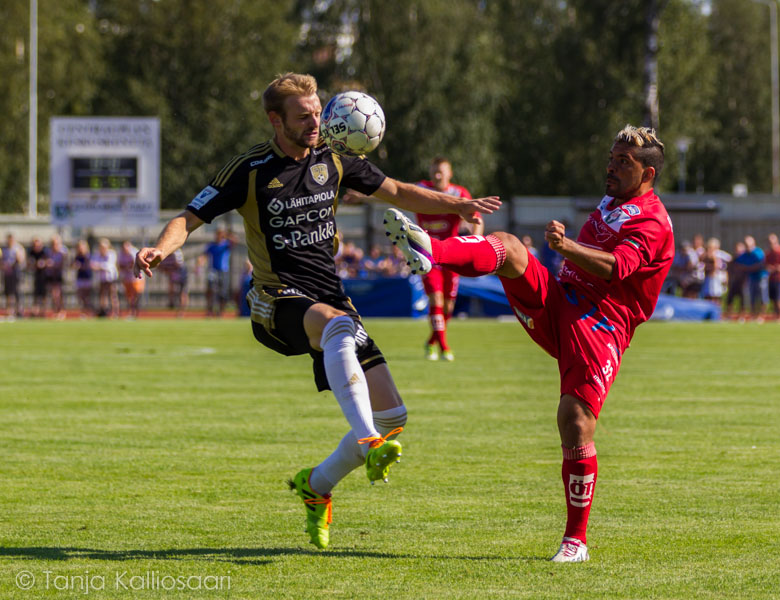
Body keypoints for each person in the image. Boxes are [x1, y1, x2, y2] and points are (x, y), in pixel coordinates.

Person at [133, 72, 500, 550]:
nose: (315, 122)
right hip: (276, 299)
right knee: (340, 330)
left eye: (318, 111)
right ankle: (367, 440)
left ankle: (317, 485)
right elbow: (189, 216)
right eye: (304, 115)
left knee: (395, 415)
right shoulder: (249, 170)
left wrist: (459, 204)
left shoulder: (335, 159)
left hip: (330, 295)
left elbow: (399, 191)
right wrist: (161, 250)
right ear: (275, 120)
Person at [385, 125, 673, 563]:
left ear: (648, 173)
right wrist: (561, 249)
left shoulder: (652, 219)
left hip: (602, 324)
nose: (611, 166)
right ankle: (431, 251)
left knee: (574, 421)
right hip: (561, 301)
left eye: (623, 162)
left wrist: (565, 245)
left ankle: (576, 541)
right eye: (611, 157)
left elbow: (617, 268)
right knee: (509, 246)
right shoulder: (613, 201)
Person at [415, 157, 483, 361]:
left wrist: (477, 241)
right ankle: (444, 348)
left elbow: (476, 218)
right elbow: (394, 192)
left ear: (449, 174)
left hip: (452, 256)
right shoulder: (421, 190)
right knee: (435, 298)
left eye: (441, 172)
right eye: (434, 171)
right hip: (427, 254)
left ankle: (430, 342)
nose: (437, 176)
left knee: (448, 307)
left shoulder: (459, 194)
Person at [205, 228, 235, 317]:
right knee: (211, 290)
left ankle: (220, 312)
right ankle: (210, 310)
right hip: (213, 271)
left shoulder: (226, 244)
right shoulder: (212, 245)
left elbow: (235, 241)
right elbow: (204, 255)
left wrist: (227, 235)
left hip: (224, 271)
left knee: (223, 293)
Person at [735, 236, 767, 319]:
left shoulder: (758, 253)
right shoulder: (744, 254)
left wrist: (747, 268)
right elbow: (738, 265)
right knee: (751, 298)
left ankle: (761, 315)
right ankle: (753, 315)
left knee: (762, 298)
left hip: (761, 278)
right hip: (751, 278)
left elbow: (760, 265)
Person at [91, 238, 119, 318]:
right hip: (101, 278)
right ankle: (104, 311)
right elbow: (92, 264)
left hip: (111, 278)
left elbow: (108, 266)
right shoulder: (97, 254)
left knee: (113, 295)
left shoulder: (111, 254)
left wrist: (99, 266)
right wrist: (100, 266)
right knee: (102, 295)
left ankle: (115, 312)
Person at [159, 248, 189, 317]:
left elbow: (178, 265)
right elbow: (160, 267)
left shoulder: (176, 253)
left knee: (182, 293)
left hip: (181, 274)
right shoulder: (164, 253)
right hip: (173, 273)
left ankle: (181, 311)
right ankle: (172, 302)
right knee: (171, 289)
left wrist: (169, 270)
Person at [118, 241, 145, 318]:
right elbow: (120, 265)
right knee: (129, 297)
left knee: (136, 295)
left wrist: (127, 267)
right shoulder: (121, 254)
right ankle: (131, 312)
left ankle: (136, 312)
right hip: (127, 278)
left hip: (136, 278)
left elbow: (134, 264)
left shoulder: (134, 252)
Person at [1, 233, 25, 319]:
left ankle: (18, 310)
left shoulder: (18, 248)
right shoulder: (4, 249)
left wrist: (16, 259)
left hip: (16, 273)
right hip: (7, 273)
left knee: (16, 292)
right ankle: (9, 311)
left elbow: (21, 260)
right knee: (8, 292)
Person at [45, 235, 69, 319]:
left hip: (59, 275)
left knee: (58, 294)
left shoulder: (63, 252)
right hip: (51, 275)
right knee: (53, 294)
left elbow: (64, 263)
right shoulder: (49, 252)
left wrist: (54, 265)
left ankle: (61, 310)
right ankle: (55, 310)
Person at [26, 237, 49, 318]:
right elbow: (28, 263)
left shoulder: (45, 251)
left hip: (44, 276)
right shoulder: (31, 252)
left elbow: (49, 261)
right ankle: (35, 311)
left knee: (44, 295)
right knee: (36, 294)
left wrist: (44, 263)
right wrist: (33, 264)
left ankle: (43, 311)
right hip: (35, 275)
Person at [71, 240, 94, 318]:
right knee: (80, 296)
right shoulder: (77, 256)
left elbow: (88, 266)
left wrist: (80, 266)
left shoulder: (88, 255)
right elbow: (73, 265)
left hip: (87, 277)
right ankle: (83, 312)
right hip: (80, 278)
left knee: (87, 297)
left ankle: (89, 312)